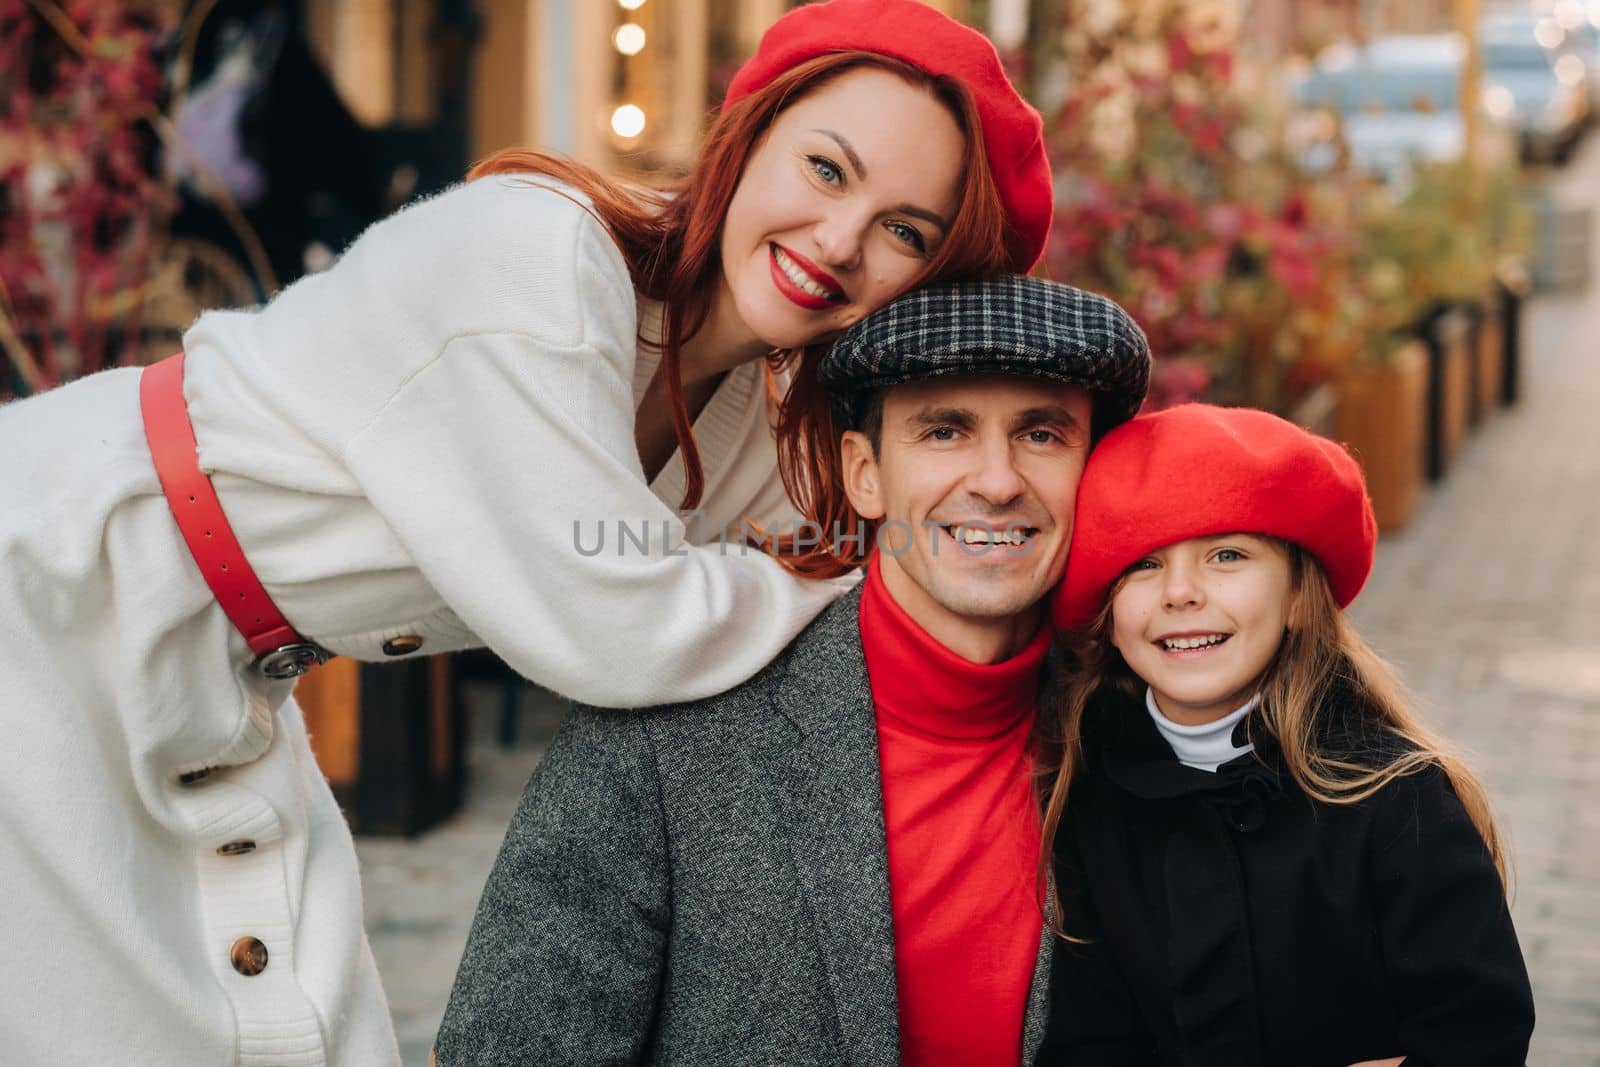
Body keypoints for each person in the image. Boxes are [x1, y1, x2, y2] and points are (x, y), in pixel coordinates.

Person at [0, 1, 1055, 1062]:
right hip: (62, 575)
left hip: (225, 671)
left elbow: (895, 571)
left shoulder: (753, 417)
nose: (839, 241)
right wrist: (818, 579)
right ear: (746, 136)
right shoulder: (539, 254)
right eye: (826, 170)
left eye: (905, 231)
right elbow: (618, 627)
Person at [433, 274, 1152, 1066]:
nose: (996, 479)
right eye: (943, 431)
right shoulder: (667, 727)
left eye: (1043, 434)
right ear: (863, 473)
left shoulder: (1140, 735)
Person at [1036, 404, 1535, 1066]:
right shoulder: (1090, 795)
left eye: (1226, 554)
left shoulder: (1395, 796)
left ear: (1299, 597)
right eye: (1144, 563)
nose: (1180, 592)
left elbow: (1479, 1032)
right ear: (1107, 612)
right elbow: (1089, 1041)